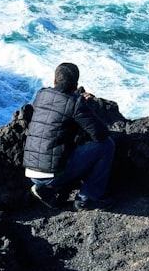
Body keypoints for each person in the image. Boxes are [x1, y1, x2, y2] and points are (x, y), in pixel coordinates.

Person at [23, 62, 115, 211]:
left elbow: (57, 111)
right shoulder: (76, 103)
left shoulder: (41, 94)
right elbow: (100, 134)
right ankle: (88, 197)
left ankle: (45, 188)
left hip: (31, 171)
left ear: (54, 81)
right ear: (76, 84)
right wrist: (85, 105)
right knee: (106, 145)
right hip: (52, 173)